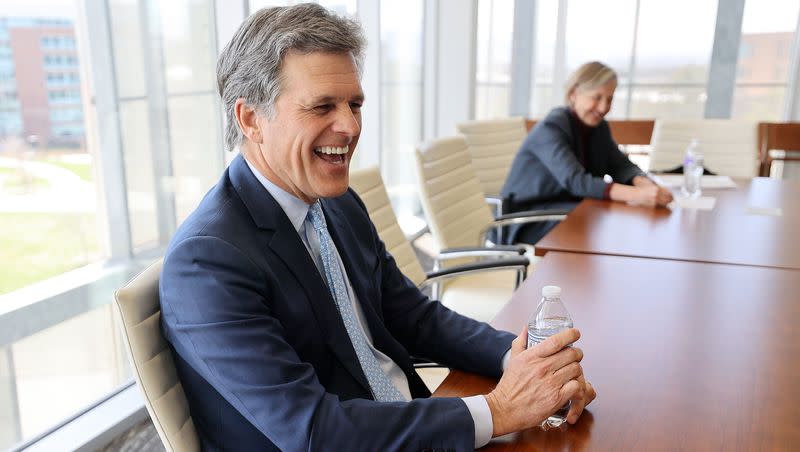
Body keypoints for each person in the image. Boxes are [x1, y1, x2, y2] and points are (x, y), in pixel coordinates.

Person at [159, 4, 595, 450]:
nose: (349, 126)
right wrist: (500, 409)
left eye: (355, 104)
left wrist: (527, 362)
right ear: (251, 119)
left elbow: (412, 315)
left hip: (411, 422)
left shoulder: (337, 204)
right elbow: (313, 431)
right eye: (322, 106)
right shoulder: (208, 261)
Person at [500, 61, 673, 245]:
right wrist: (638, 195)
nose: (603, 108)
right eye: (597, 97)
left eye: (609, 99)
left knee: (614, 230)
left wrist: (643, 183)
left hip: (572, 212)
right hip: (531, 220)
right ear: (574, 94)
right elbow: (576, 181)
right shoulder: (551, 128)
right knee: (609, 234)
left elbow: (619, 164)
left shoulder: (598, 127)